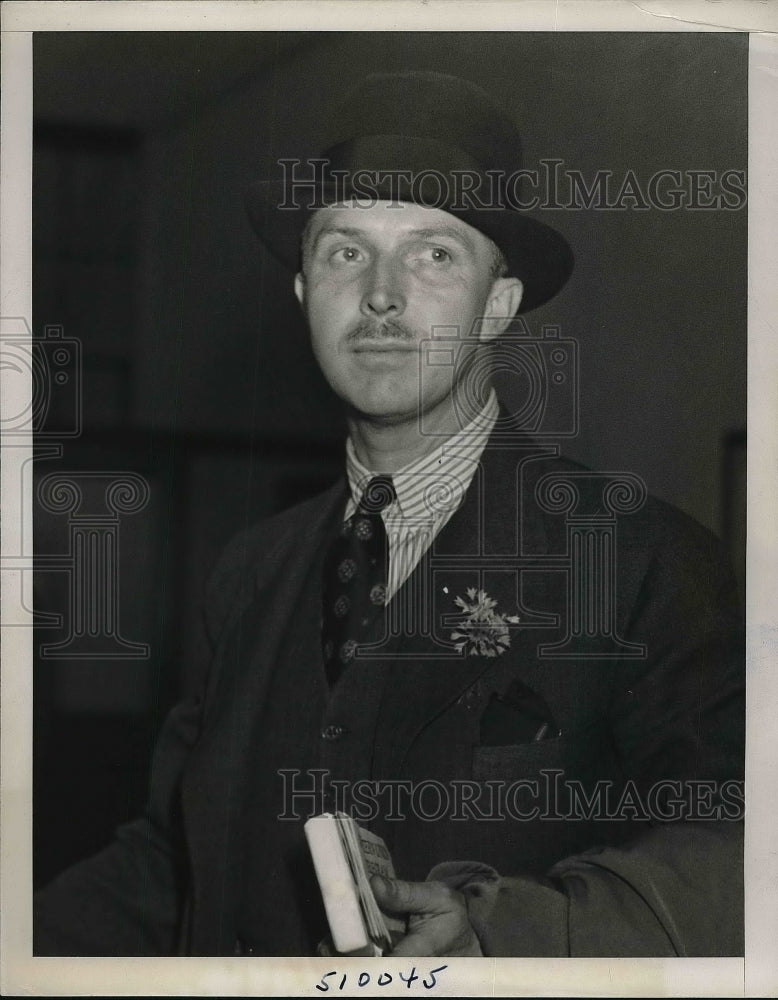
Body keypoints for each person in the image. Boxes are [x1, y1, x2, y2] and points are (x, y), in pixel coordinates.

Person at [34, 71, 744, 958]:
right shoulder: (252, 570)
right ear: (302, 293)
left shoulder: (643, 561)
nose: (380, 294)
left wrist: (501, 936)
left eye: (433, 254)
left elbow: (737, 853)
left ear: (499, 304)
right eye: (344, 251)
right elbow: (174, 863)